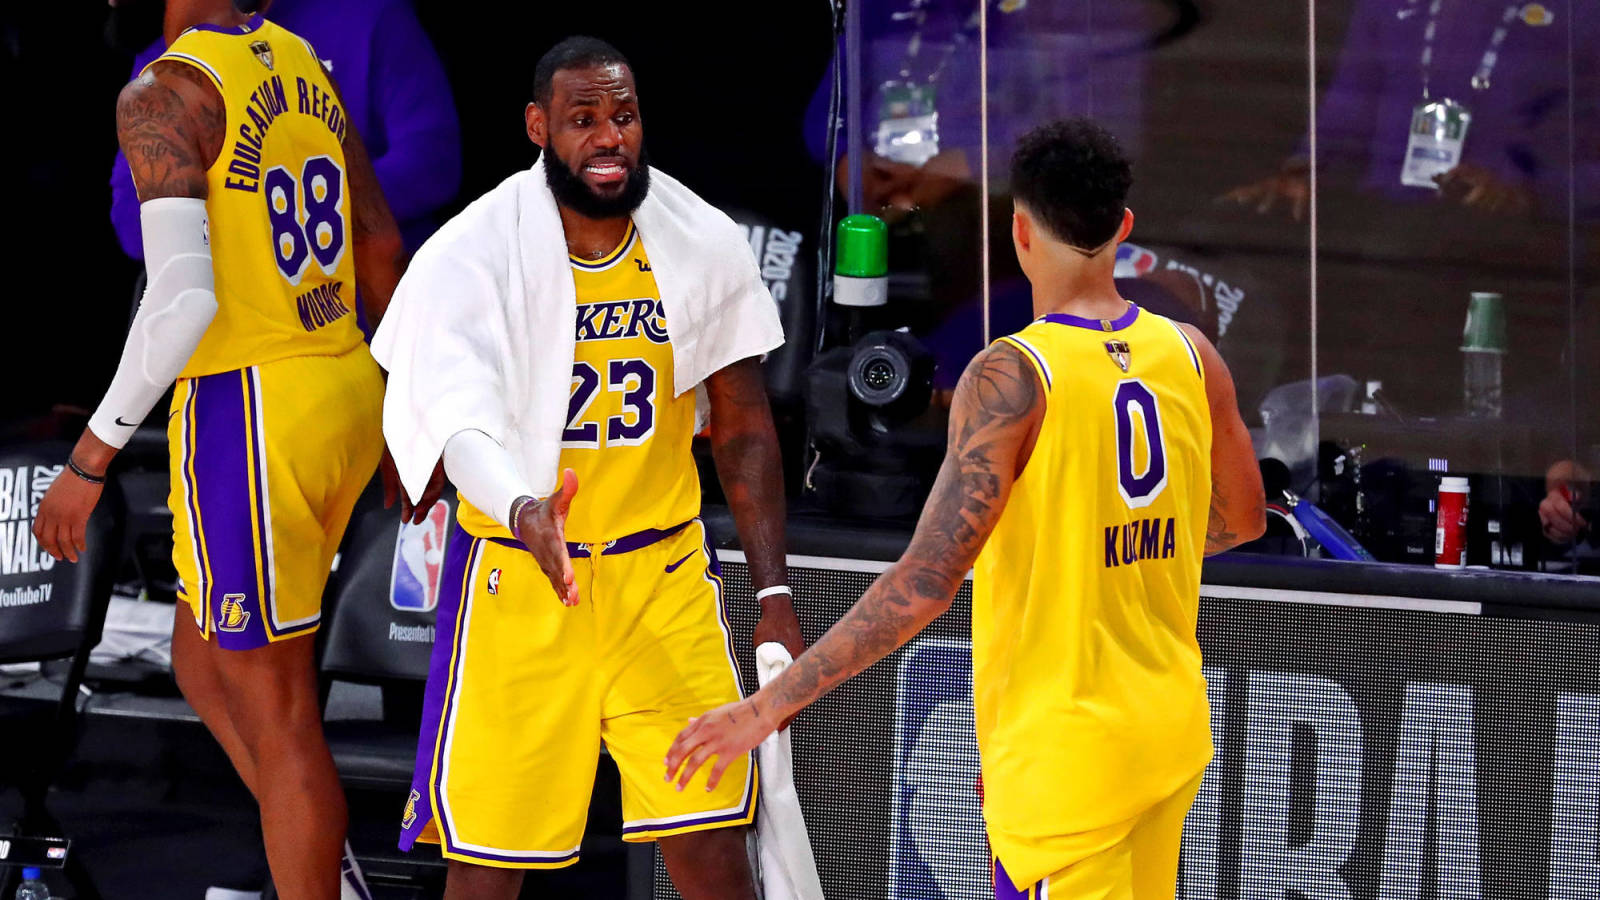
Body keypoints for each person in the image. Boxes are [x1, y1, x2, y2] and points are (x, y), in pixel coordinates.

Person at [666, 118, 1266, 899]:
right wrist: (1107, 550)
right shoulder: (1192, 352)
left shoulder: (1012, 374)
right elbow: (1243, 518)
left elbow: (925, 581)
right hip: (1167, 736)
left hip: (1067, 751)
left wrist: (764, 708)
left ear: (1020, 230)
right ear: (1123, 227)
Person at [372, 37, 806, 900]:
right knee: (486, 875)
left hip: (660, 581)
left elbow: (743, 425)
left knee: (713, 850)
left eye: (624, 116)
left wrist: (774, 592)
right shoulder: (473, 250)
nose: (610, 137)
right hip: (522, 586)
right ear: (538, 127)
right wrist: (522, 507)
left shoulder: (699, 239)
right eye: (584, 119)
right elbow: (457, 423)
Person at [31, 2, 416, 898]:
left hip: (249, 409)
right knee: (202, 659)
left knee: (280, 713)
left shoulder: (164, 92)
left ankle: (315, 874)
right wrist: (405, 407)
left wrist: (88, 462)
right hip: (343, 382)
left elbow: (181, 303)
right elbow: (381, 243)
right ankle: (323, 862)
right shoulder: (300, 60)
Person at [109, 0, 461, 259]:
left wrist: (295, 215)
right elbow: (134, 226)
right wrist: (277, 220)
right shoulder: (162, 65)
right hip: (244, 324)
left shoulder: (367, 15)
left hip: (374, 309)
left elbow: (433, 163)